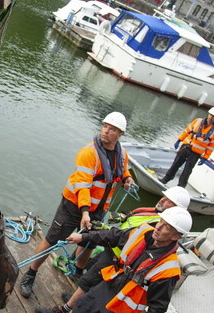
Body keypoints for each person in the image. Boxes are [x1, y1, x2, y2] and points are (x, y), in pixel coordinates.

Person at [30, 207, 193, 313]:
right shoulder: (142, 232)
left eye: (167, 227)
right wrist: (84, 237)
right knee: (81, 307)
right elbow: (112, 236)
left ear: (176, 236)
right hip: (112, 283)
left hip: (125, 304)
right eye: (161, 222)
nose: (159, 227)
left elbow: (159, 305)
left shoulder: (168, 270)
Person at [19, 112, 135, 298]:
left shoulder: (122, 153)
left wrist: (127, 178)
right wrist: (85, 212)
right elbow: (82, 185)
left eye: (111, 129)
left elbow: (123, 169)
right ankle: (30, 273)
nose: (105, 131)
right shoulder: (89, 153)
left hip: (98, 209)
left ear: (120, 134)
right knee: (53, 239)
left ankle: (77, 273)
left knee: (90, 241)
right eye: (104, 126)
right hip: (74, 206)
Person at [34, 186, 191, 313]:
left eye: (168, 200)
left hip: (118, 259)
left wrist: (97, 232)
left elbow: (124, 237)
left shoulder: (159, 224)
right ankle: (76, 304)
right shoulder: (153, 213)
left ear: (176, 208)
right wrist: (122, 216)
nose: (163, 200)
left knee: (88, 282)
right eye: (164, 196)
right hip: (112, 251)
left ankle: (64, 311)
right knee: (88, 282)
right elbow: (130, 223)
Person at [160, 107, 214, 188]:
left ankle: (180, 187)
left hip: (196, 153)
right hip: (186, 147)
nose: (212, 117)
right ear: (208, 114)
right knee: (175, 164)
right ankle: (166, 179)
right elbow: (187, 131)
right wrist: (179, 140)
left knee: (187, 171)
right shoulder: (198, 121)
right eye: (211, 115)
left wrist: (205, 157)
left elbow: (211, 146)